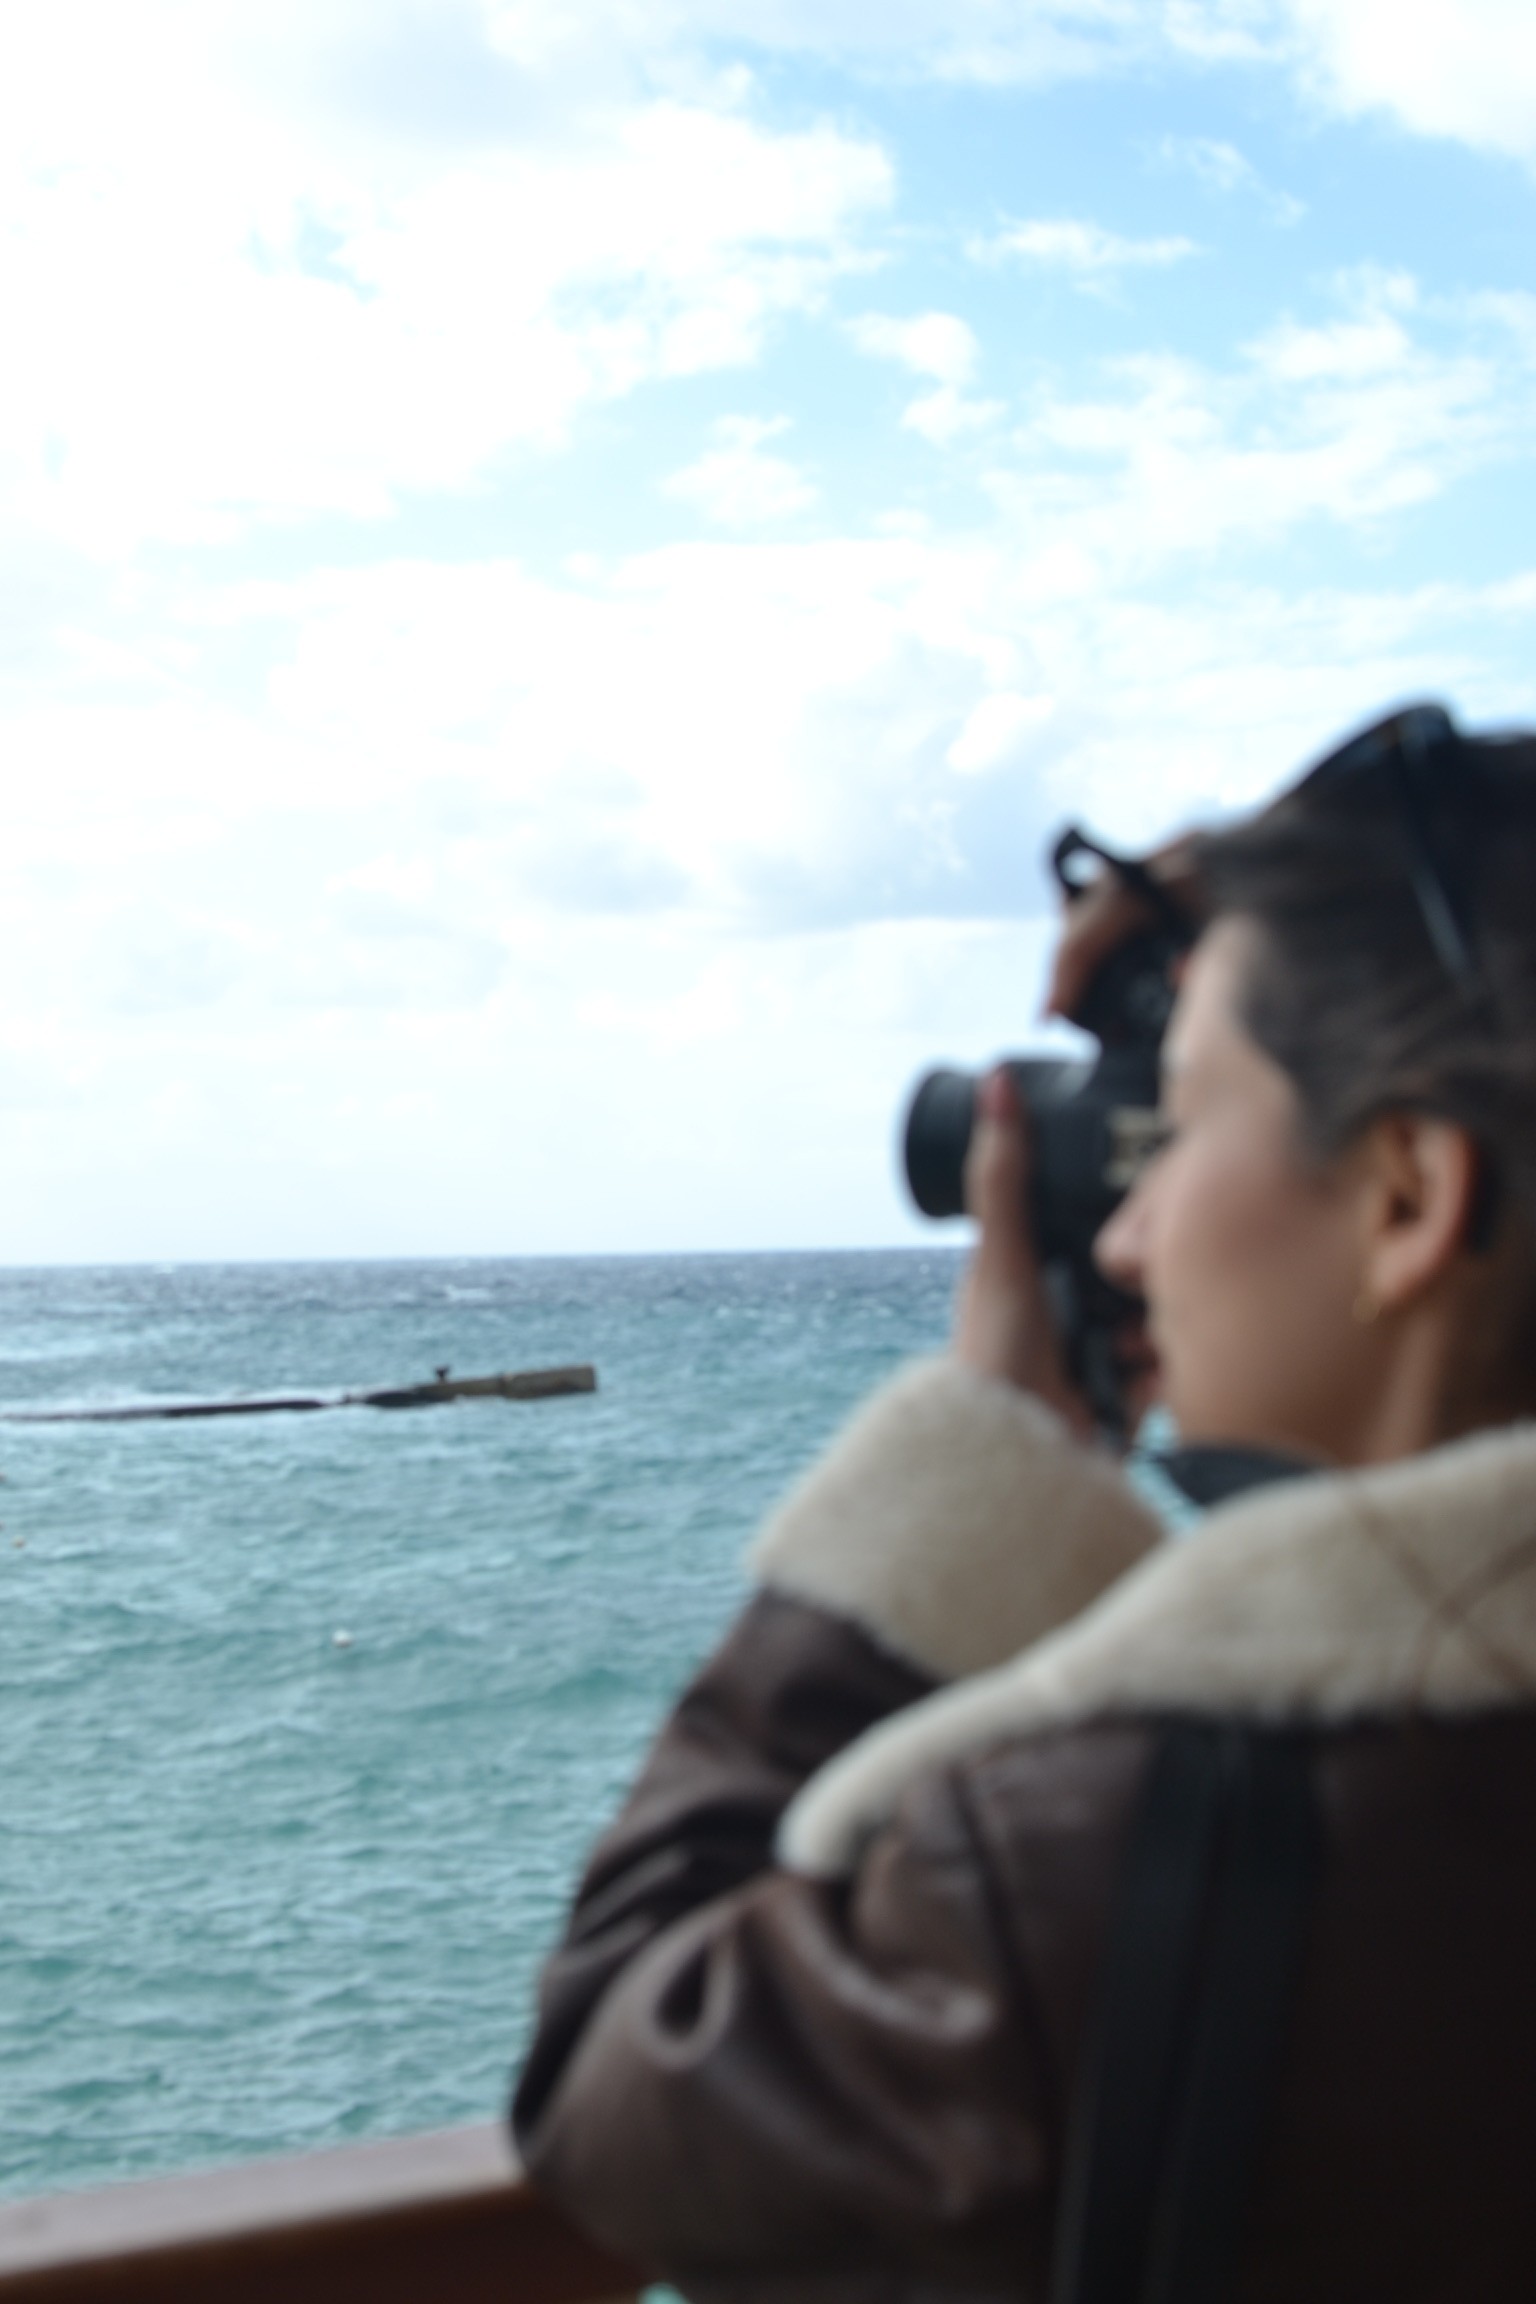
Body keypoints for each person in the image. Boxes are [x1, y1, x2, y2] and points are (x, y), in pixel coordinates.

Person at [511, 703, 1536, 2302]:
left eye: (1178, 1124)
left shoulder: (1087, 1867)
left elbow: (618, 2083)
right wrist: (1328, 891)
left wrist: (979, 1455)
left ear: (1407, 1194)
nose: (1126, 1238)